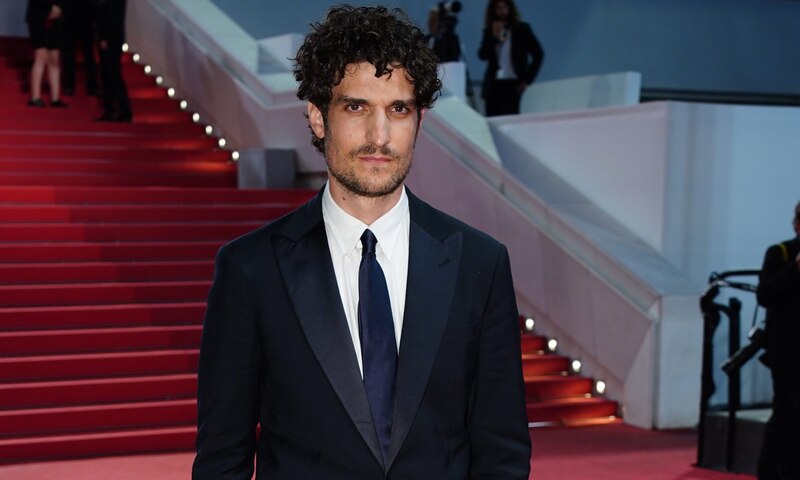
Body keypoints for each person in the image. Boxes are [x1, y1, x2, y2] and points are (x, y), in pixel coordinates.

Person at [192, 5, 531, 479]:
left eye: (398, 110)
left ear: (419, 120)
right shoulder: (251, 269)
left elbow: (502, 454)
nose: (380, 135)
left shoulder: (479, 263)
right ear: (317, 116)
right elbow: (221, 458)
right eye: (356, 107)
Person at [756, 200, 800, 480]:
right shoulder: (780, 253)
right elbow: (765, 295)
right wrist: (795, 268)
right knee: (787, 414)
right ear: (797, 225)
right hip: (788, 351)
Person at [478, 0, 544, 117]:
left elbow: (538, 54)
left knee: (510, 119)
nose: (502, 11)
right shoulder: (489, 30)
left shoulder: (522, 29)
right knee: (492, 122)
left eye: (504, 7)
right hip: (493, 85)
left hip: (513, 84)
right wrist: (494, 37)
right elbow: (482, 55)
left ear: (510, 8)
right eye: (498, 8)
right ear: (493, 11)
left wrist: (527, 80)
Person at [94, 0, 131, 122]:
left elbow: (112, 16)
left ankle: (122, 110)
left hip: (111, 39)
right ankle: (112, 110)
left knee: (112, 74)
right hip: (112, 38)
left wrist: (105, 37)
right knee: (108, 74)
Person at [25, 0, 68, 107]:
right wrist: (51, 6)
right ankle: (35, 97)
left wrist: (59, 8)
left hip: (55, 21)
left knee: (55, 59)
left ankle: (55, 98)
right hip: (39, 18)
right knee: (41, 56)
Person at [61, 0, 100, 97]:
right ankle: (69, 84)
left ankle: (93, 85)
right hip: (70, 18)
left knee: (89, 55)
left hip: (86, 18)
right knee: (69, 54)